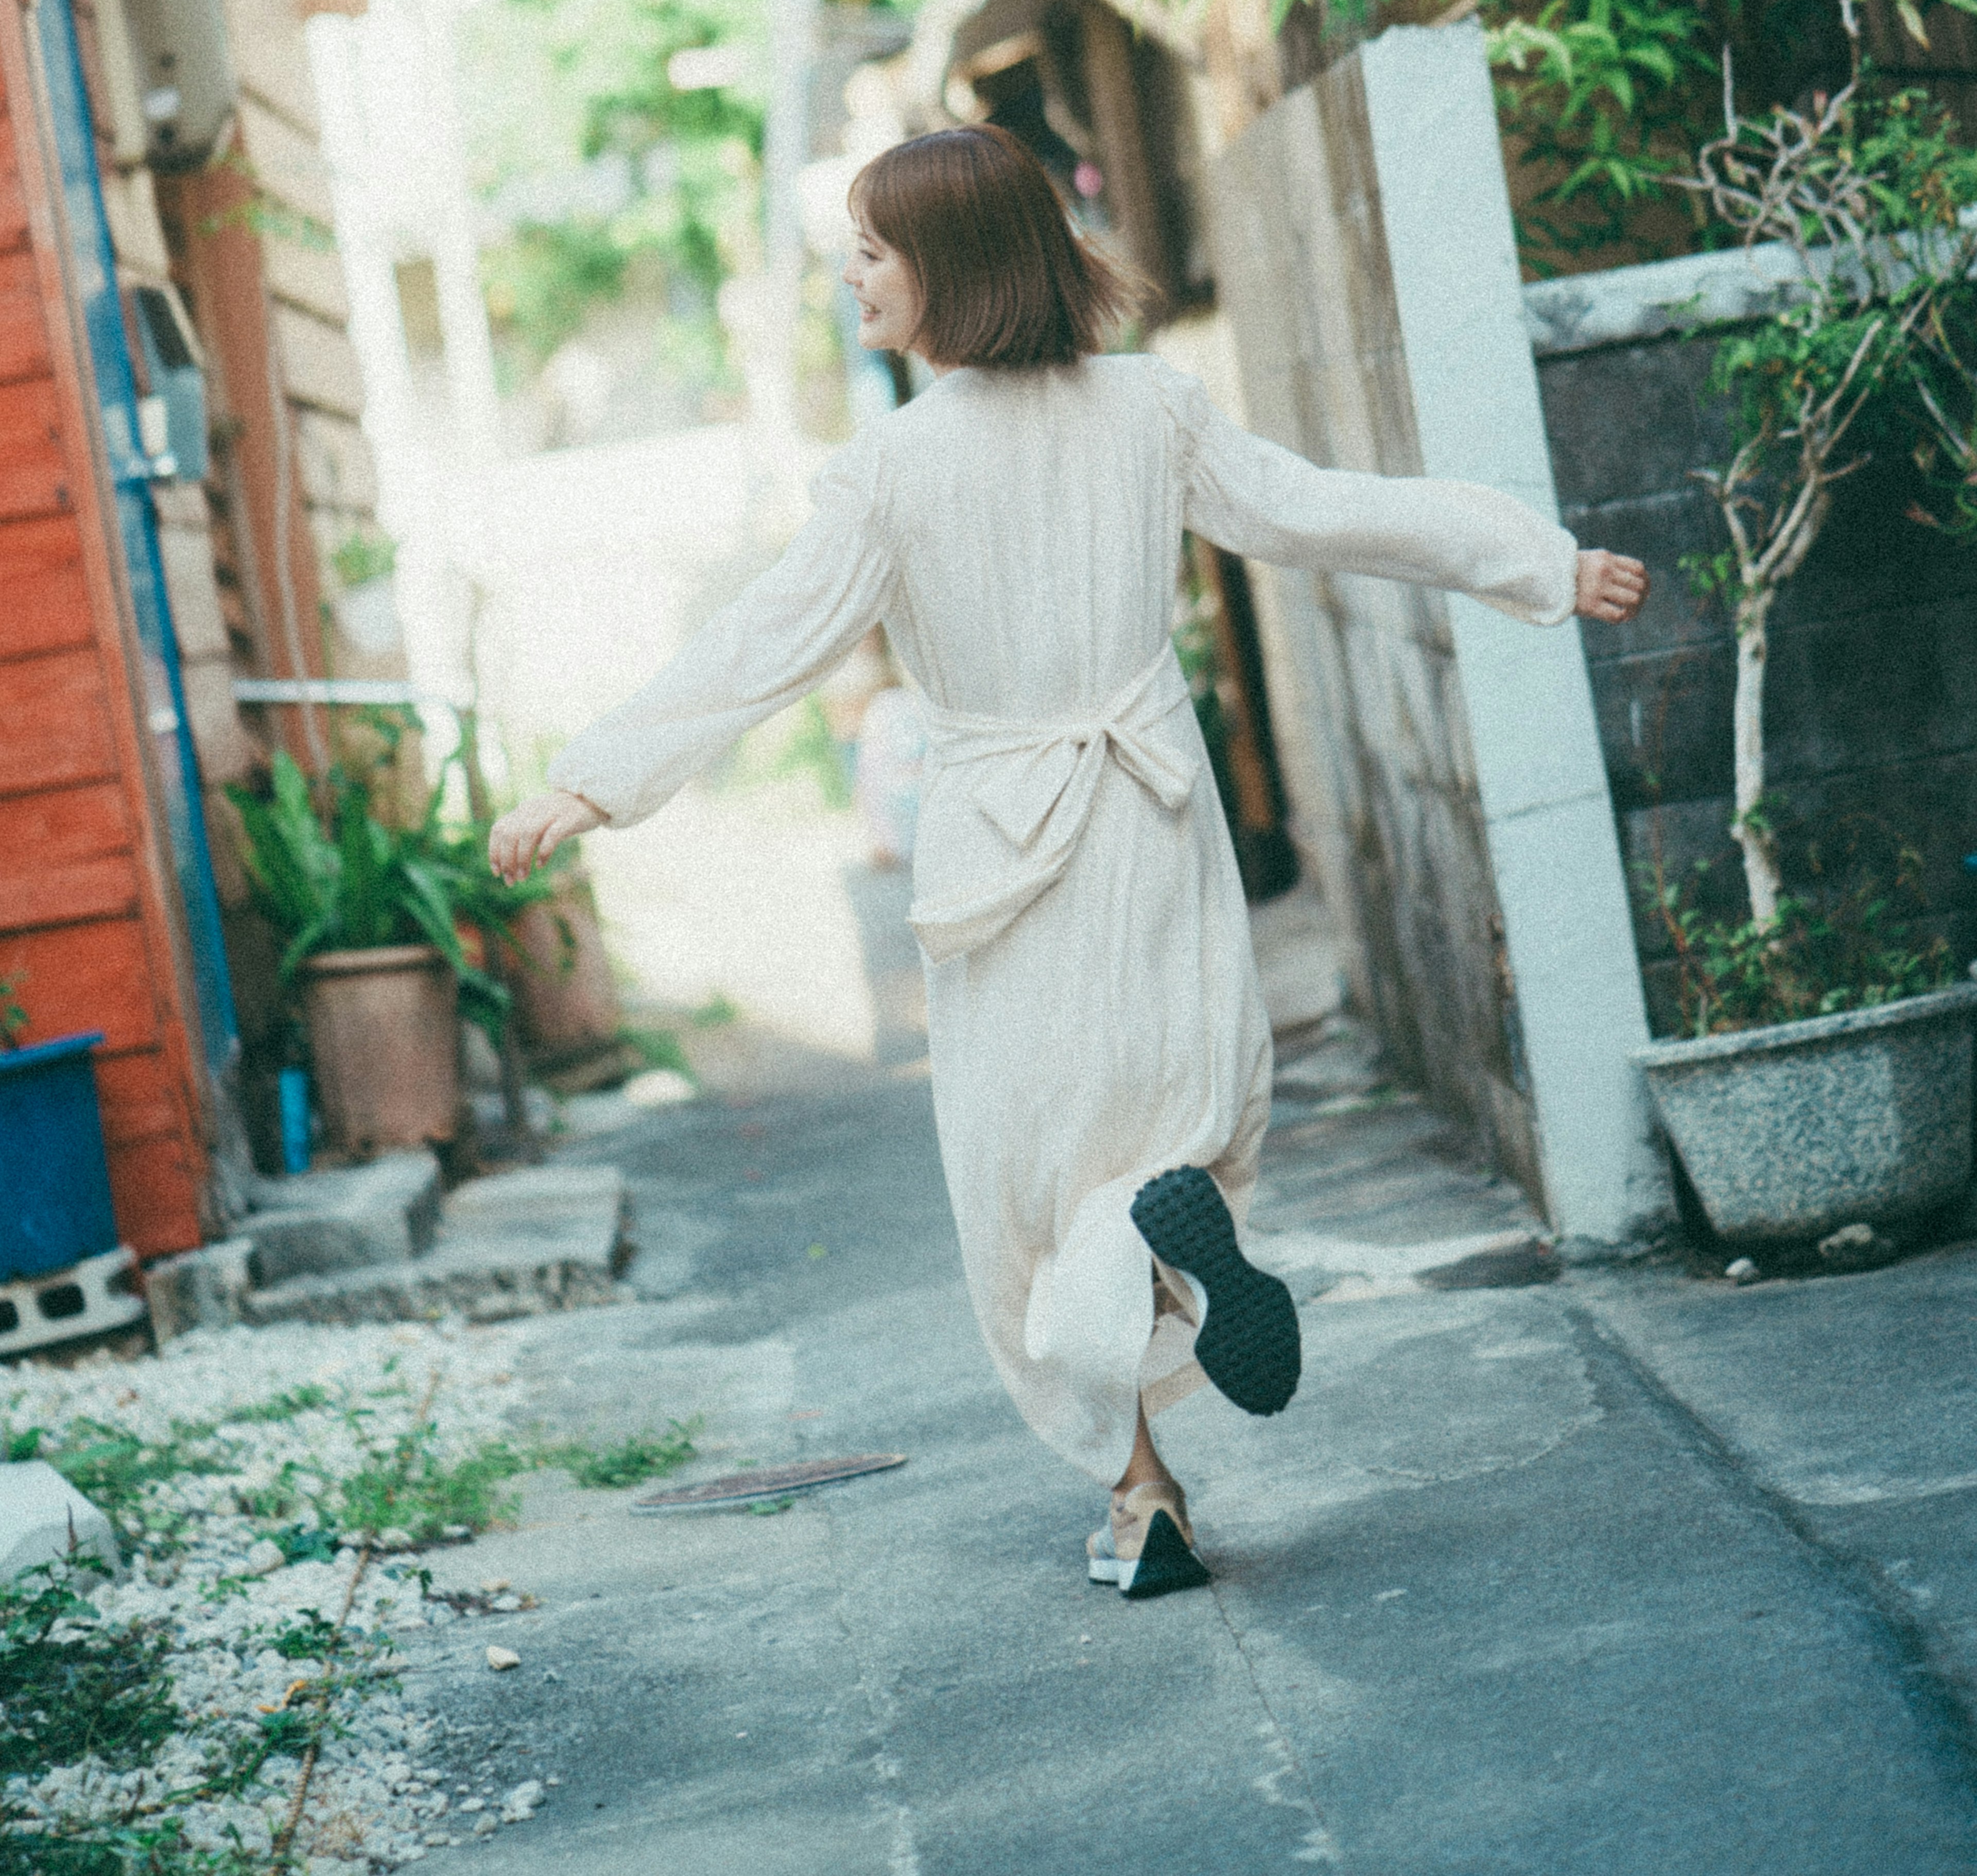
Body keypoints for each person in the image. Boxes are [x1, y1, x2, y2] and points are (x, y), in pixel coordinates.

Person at [490, 126, 1648, 1602]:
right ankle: (1167, 1297)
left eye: (871, 248)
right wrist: (1532, 562)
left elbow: (755, 650)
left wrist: (588, 783)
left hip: (995, 856)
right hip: (1152, 812)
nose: (849, 272)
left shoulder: (889, 472)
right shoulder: (1150, 409)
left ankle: (1138, 1492)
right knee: (1182, 1123)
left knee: (1025, 1191)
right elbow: (1321, 510)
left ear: (950, 269)